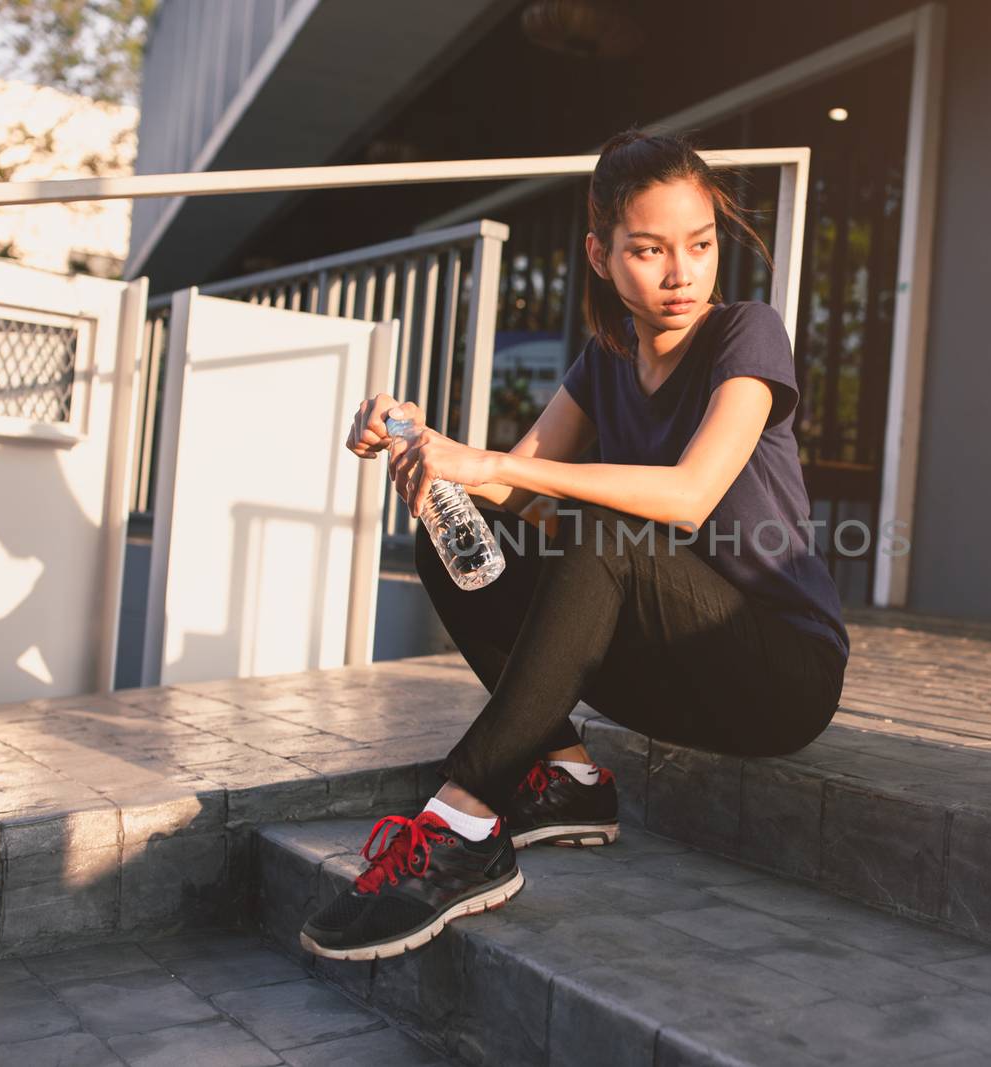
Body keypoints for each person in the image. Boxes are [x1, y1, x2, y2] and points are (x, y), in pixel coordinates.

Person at [299, 127, 850, 962]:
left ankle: (463, 819)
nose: (681, 273)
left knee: (607, 528)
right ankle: (569, 778)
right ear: (600, 255)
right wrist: (424, 443)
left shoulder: (747, 334)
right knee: (455, 534)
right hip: (672, 670)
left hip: (776, 674)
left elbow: (689, 497)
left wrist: (483, 465)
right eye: (649, 250)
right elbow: (514, 488)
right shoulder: (607, 360)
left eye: (699, 245)